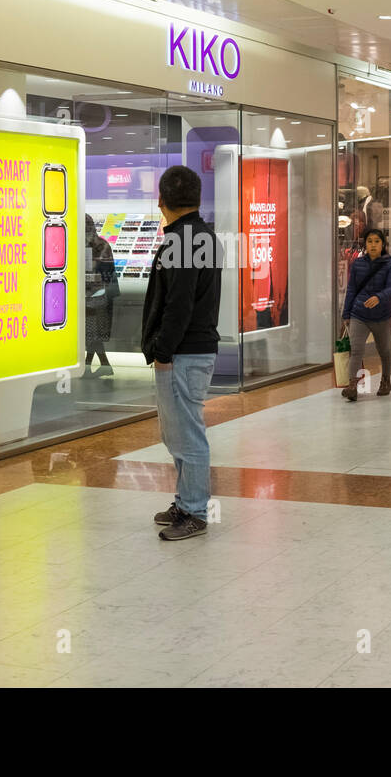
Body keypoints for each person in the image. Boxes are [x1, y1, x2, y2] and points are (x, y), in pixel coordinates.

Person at [141, 166, 222, 540]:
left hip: (183, 353)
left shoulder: (182, 241)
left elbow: (178, 304)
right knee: (179, 434)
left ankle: (194, 511)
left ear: (162, 201)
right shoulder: (202, 236)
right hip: (195, 349)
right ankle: (185, 500)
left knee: (186, 435)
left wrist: (163, 349)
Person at [341, 228, 391, 400]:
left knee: (384, 351)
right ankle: (352, 385)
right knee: (357, 350)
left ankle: (386, 381)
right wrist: (346, 313)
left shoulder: (390, 264)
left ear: (383, 244)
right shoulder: (358, 264)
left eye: (377, 242)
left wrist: (379, 297)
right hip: (359, 314)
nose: (373, 245)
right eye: (370, 241)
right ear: (365, 244)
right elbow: (351, 289)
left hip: (382, 316)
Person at [83, 215, 119, 377]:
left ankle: (94, 364)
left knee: (91, 332)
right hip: (99, 295)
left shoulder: (90, 246)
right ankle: (97, 364)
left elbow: (98, 273)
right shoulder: (103, 243)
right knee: (93, 333)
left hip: (92, 296)